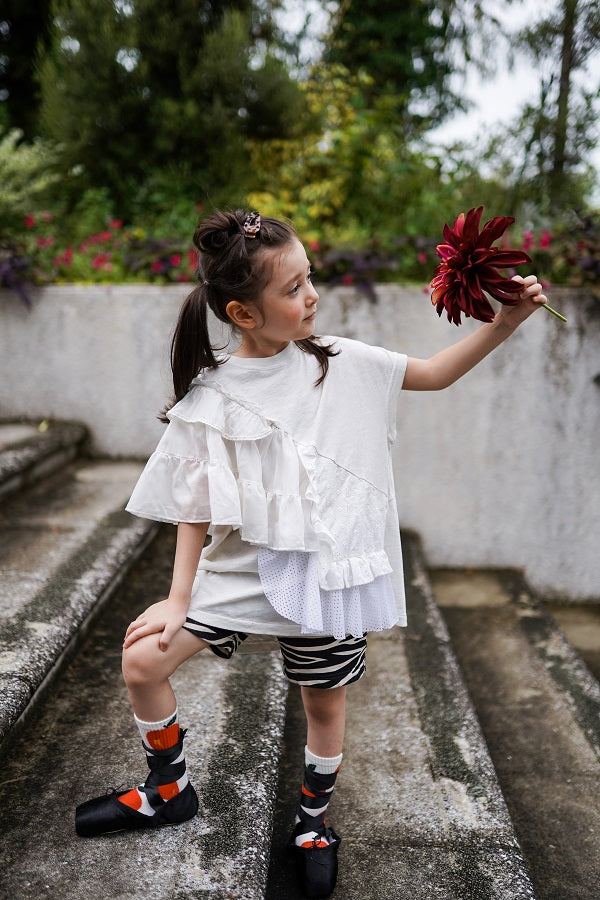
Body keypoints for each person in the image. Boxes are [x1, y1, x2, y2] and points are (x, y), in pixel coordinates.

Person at [75, 209, 547, 898]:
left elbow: (435, 374)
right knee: (143, 658)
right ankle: (168, 790)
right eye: (293, 288)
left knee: (323, 702)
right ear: (242, 311)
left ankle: (314, 819)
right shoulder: (213, 395)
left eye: (309, 278)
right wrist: (179, 599)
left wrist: (504, 323)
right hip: (240, 569)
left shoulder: (341, 362)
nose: (311, 295)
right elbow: (195, 504)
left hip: (327, 569)